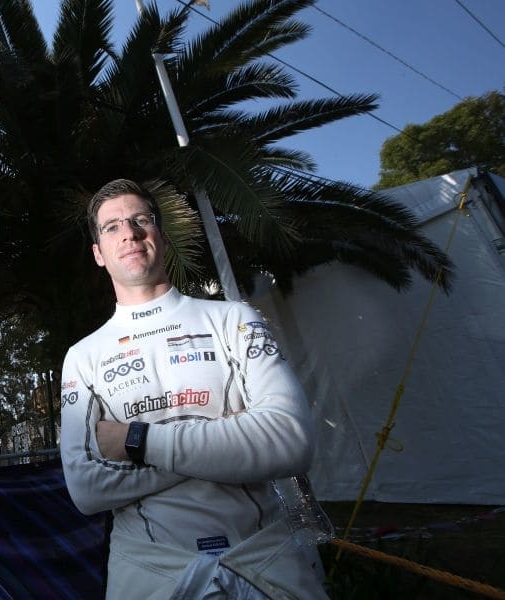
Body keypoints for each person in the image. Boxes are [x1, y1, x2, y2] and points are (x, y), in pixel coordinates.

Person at [59, 179, 327, 598]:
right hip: (151, 569)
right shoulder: (83, 356)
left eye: (140, 220)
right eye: (111, 227)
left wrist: (136, 440)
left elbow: (291, 442)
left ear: (162, 237)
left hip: (264, 562)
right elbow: (87, 489)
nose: (128, 232)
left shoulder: (235, 319)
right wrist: (229, 443)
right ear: (98, 253)